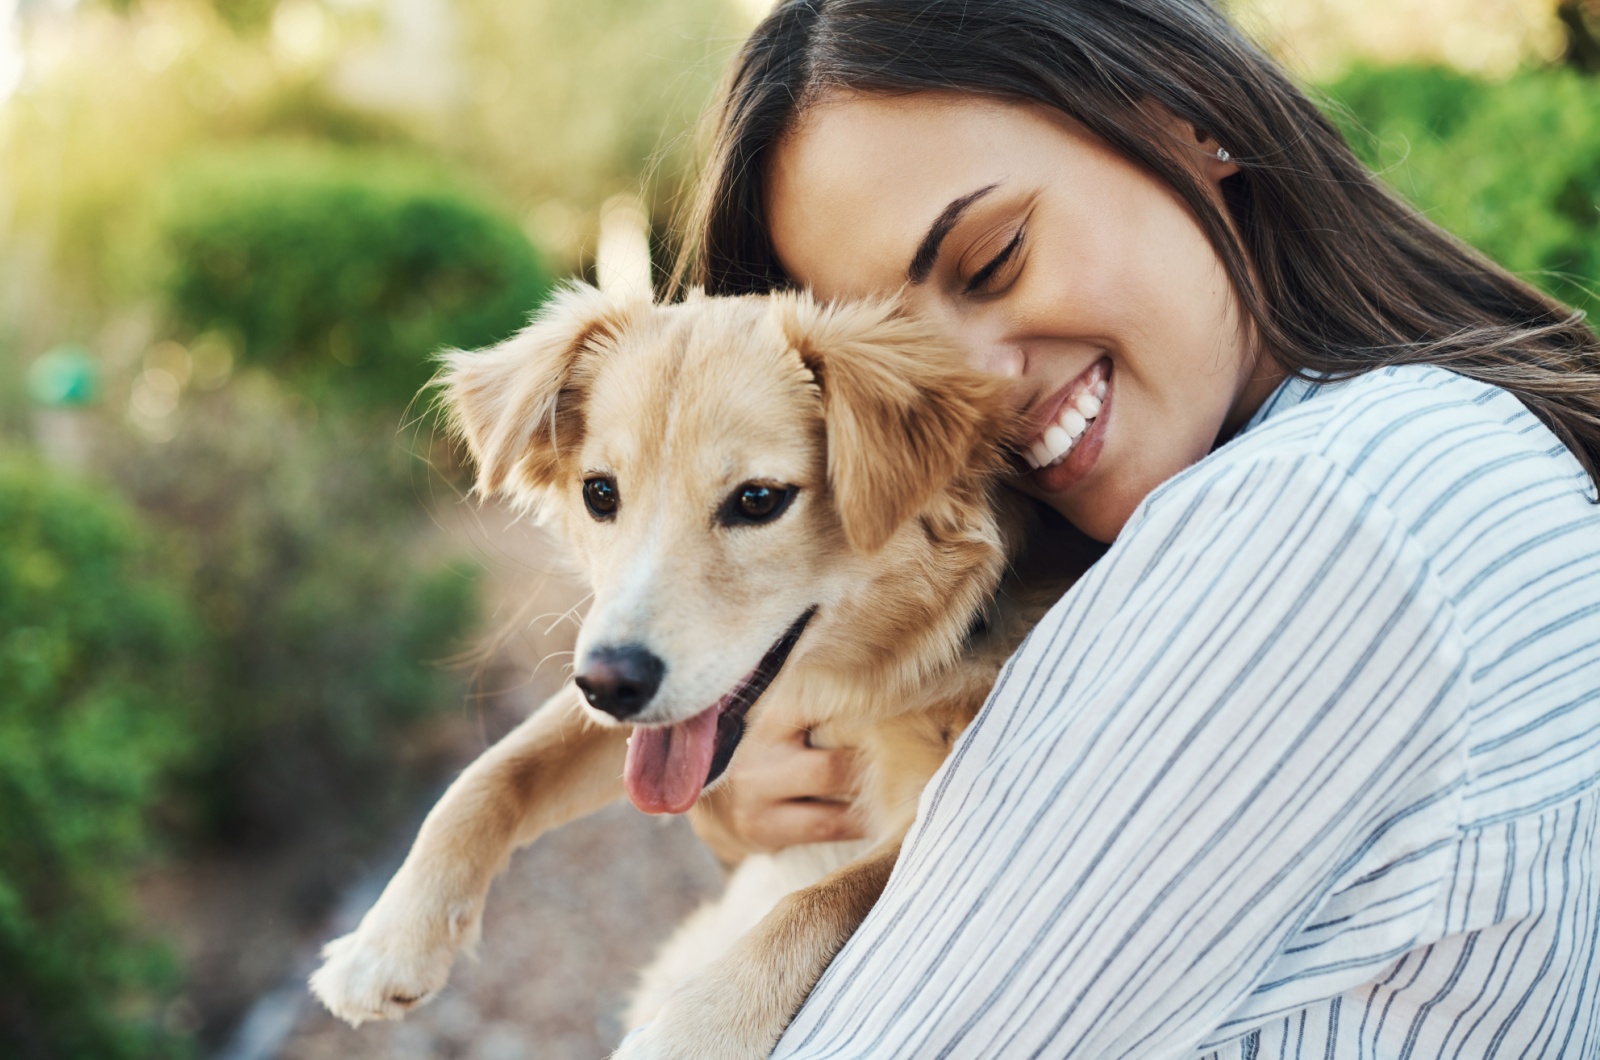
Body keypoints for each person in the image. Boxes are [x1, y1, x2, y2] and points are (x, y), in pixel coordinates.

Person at [675, 1, 1600, 1056]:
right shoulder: (1438, 445)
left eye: (993, 261)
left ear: (1186, 118)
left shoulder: (1332, 510)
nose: (969, 398)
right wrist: (810, 821)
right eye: (892, 380)